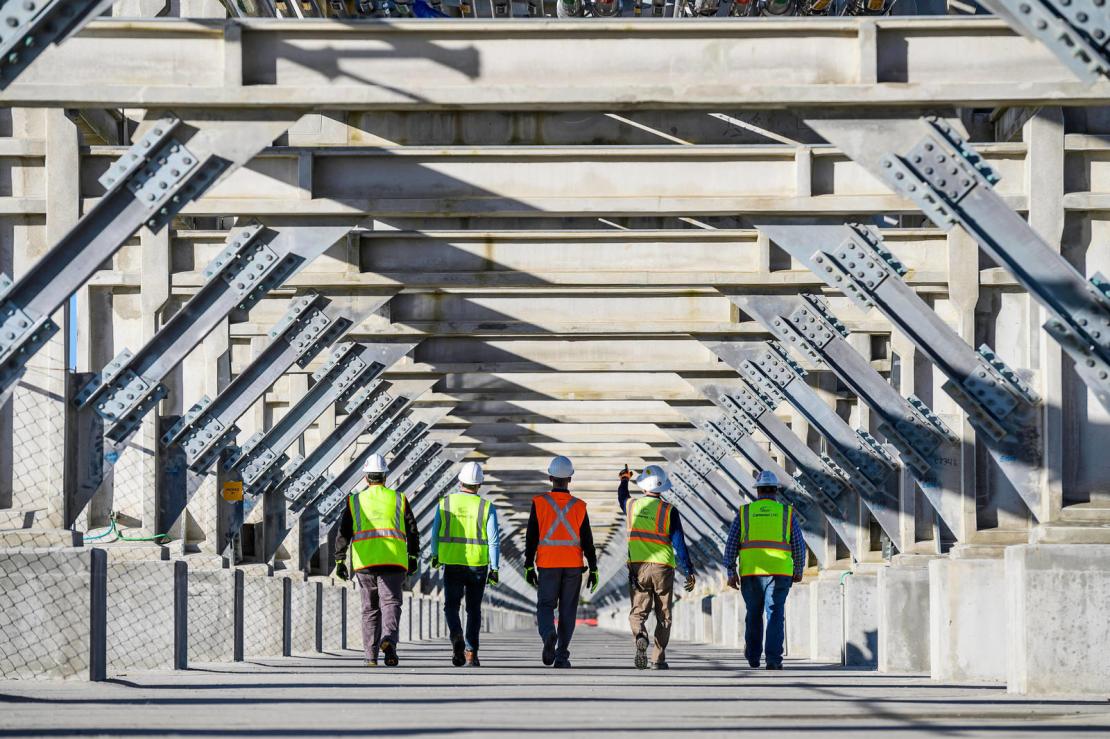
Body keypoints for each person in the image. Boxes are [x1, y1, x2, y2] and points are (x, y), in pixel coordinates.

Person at [332, 453, 420, 668]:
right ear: (385, 477)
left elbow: (343, 532)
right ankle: (389, 640)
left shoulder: (355, 501)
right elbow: (412, 531)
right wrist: (413, 556)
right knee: (390, 602)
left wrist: (340, 560)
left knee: (370, 609)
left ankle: (370, 657)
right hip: (394, 560)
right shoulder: (399, 499)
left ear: (366, 478)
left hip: (365, 562)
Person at [723, 470, 806, 670]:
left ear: (758, 491)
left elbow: (731, 544)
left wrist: (731, 571)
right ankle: (773, 659)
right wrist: (799, 568)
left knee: (753, 613)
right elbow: (798, 544)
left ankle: (753, 656)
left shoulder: (745, 513)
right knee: (775, 614)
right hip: (780, 572)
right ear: (775, 491)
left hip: (751, 572)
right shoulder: (786, 513)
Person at [617, 464, 696, 670]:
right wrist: (688, 570)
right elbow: (679, 543)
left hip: (638, 567)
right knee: (664, 615)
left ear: (643, 486)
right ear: (662, 488)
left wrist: (624, 479)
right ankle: (658, 659)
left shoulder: (632, 506)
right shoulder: (669, 510)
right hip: (663, 567)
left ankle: (640, 635)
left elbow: (621, 497)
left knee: (638, 612)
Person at [523, 455, 598, 669]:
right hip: (573, 565)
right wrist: (593, 568)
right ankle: (562, 656)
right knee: (568, 611)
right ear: (570, 480)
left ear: (550, 477)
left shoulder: (539, 503)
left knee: (546, 606)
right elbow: (588, 541)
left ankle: (549, 634)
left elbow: (531, 537)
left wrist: (528, 564)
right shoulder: (580, 506)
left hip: (547, 564)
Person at [430, 460, 502, 668]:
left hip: (452, 561)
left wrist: (435, 555)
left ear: (460, 480)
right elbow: (493, 540)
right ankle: (471, 652)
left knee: (451, 606)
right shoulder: (486, 506)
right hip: (478, 564)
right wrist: (495, 568)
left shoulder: (446, 503)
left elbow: (435, 534)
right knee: (474, 609)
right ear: (479, 484)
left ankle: (456, 635)